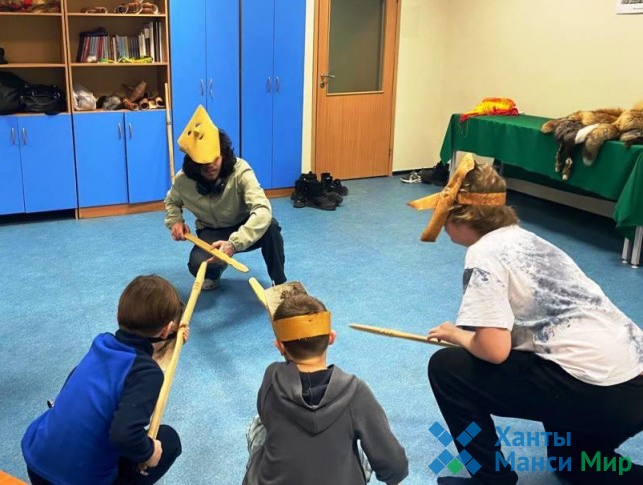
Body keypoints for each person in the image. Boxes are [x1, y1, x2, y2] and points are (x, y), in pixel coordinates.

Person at [408, 155, 643, 485]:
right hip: (632, 385)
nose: (443, 225)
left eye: (445, 216)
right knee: (572, 463)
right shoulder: (526, 240)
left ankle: (490, 479)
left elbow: (494, 351)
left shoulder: (483, 254)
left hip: (598, 392)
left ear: (461, 216)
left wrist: (458, 335)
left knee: (447, 369)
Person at [21, 275, 185, 485]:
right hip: (78, 481)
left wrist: (172, 340)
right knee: (168, 440)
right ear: (167, 329)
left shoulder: (102, 343)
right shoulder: (148, 373)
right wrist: (149, 452)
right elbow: (124, 435)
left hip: (36, 462)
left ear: (117, 315)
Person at [243, 292, 409, 485]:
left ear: (279, 346)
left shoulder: (272, 377)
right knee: (361, 446)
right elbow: (395, 467)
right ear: (331, 337)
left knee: (257, 425)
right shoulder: (356, 392)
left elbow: (265, 415)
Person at [165, 105, 286, 290]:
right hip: (211, 231)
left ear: (223, 155)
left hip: (244, 225)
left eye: (215, 159)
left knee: (271, 228)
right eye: (204, 163)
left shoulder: (241, 170)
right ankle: (215, 272)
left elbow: (262, 210)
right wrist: (175, 221)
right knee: (197, 265)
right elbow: (172, 201)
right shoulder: (183, 180)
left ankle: (280, 283)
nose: (211, 166)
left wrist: (234, 243)